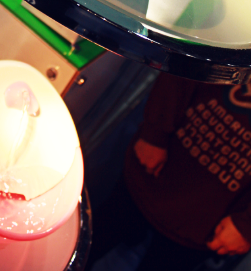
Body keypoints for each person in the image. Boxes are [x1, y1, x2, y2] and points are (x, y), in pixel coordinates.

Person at [86, 73, 251, 271]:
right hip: (158, 166)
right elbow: (187, 63)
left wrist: (246, 225)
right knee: (92, 241)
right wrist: (155, 132)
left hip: (211, 219)